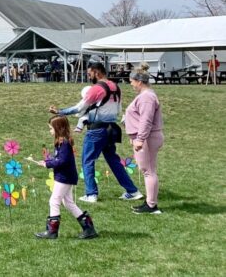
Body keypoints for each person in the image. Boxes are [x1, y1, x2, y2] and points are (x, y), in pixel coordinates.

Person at [50, 62, 141, 203]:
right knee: (113, 160)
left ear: (96, 72)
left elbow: (79, 108)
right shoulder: (116, 87)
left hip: (96, 130)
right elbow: (118, 109)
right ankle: (132, 191)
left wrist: (60, 111)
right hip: (111, 129)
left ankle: (91, 194)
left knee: (87, 161)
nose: (89, 76)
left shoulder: (97, 88)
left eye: (90, 74)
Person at [35, 116, 98, 240]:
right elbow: (59, 159)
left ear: (58, 128)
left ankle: (52, 232)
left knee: (54, 201)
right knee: (68, 203)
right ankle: (89, 229)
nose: (50, 131)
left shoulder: (64, 143)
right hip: (65, 176)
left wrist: (48, 164)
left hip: (64, 177)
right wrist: (47, 162)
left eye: (51, 128)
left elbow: (62, 161)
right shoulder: (61, 142)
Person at [124, 65, 165, 214]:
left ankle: (151, 205)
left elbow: (146, 120)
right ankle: (149, 202)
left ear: (139, 81)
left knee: (148, 171)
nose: (131, 84)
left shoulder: (146, 97)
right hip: (146, 137)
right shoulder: (146, 95)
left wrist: (140, 139)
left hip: (147, 138)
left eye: (132, 81)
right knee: (148, 170)